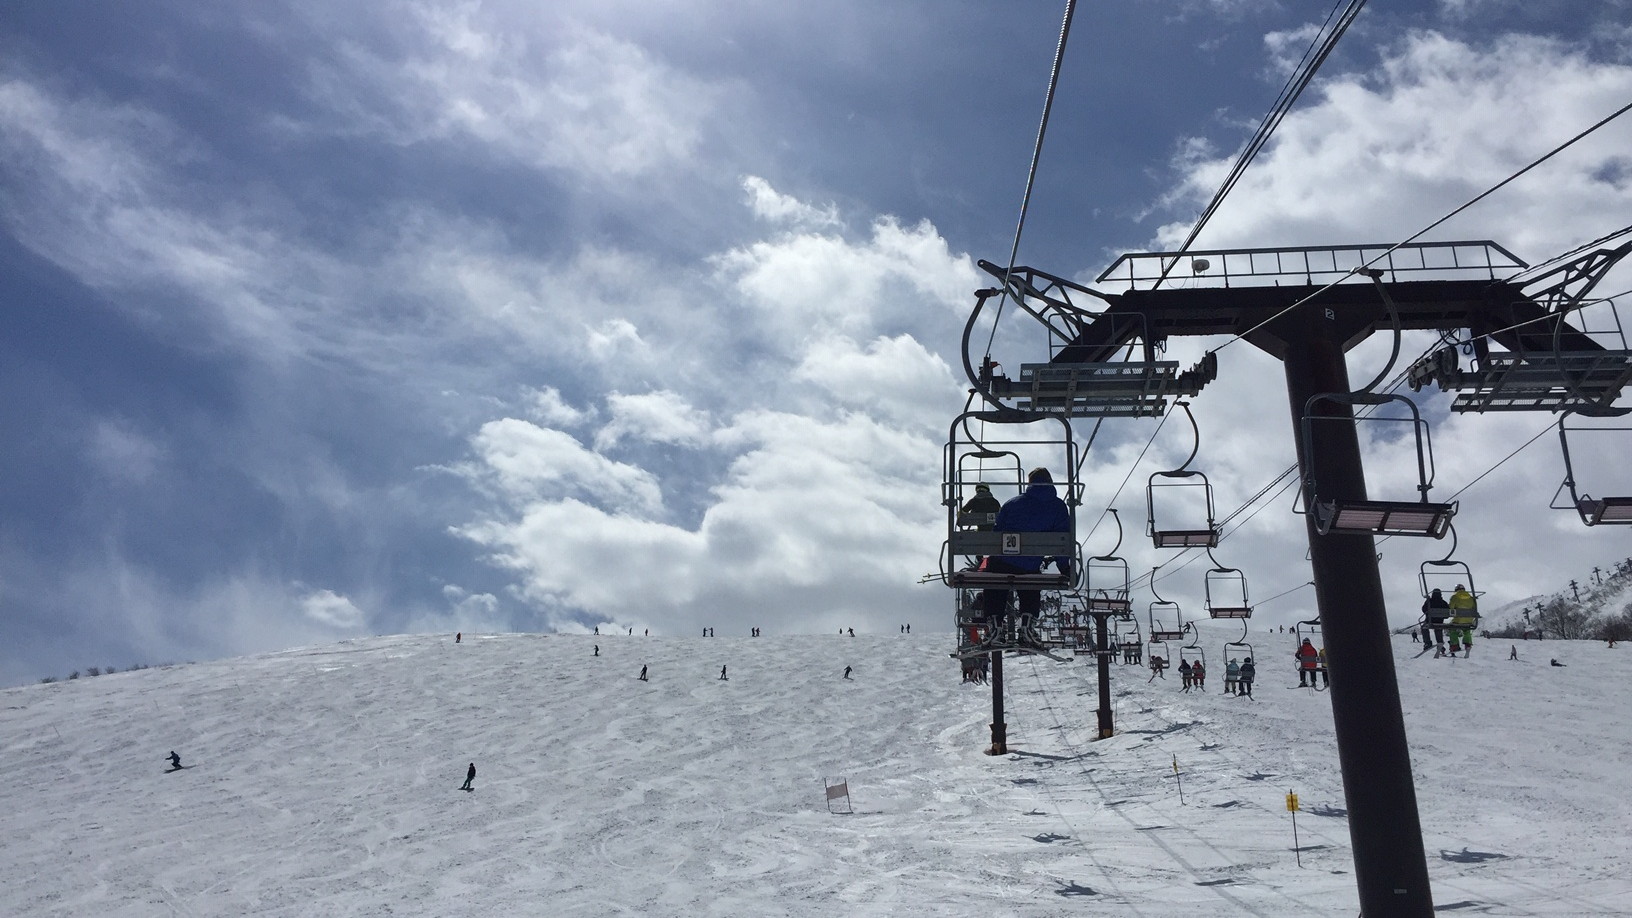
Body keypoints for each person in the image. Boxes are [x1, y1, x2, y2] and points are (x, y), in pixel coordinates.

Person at [981, 468, 1072, 649]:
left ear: (1030, 483)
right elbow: (1062, 540)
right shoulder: (1058, 507)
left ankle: (995, 627)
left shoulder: (1012, 503)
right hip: (1028, 567)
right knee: (1031, 579)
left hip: (1001, 563)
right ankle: (1027, 627)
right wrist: (1065, 568)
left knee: (994, 579)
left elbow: (996, 535)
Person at [1448, 585, 1478, 657]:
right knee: (1467, 630)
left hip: (1458, 620)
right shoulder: (1471, 598)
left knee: (1452, 629)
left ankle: (1454, 645)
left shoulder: (1454, 597)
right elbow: (1474, 608)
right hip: (1468, 620)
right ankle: (1468, 644)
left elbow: (1450, 608)